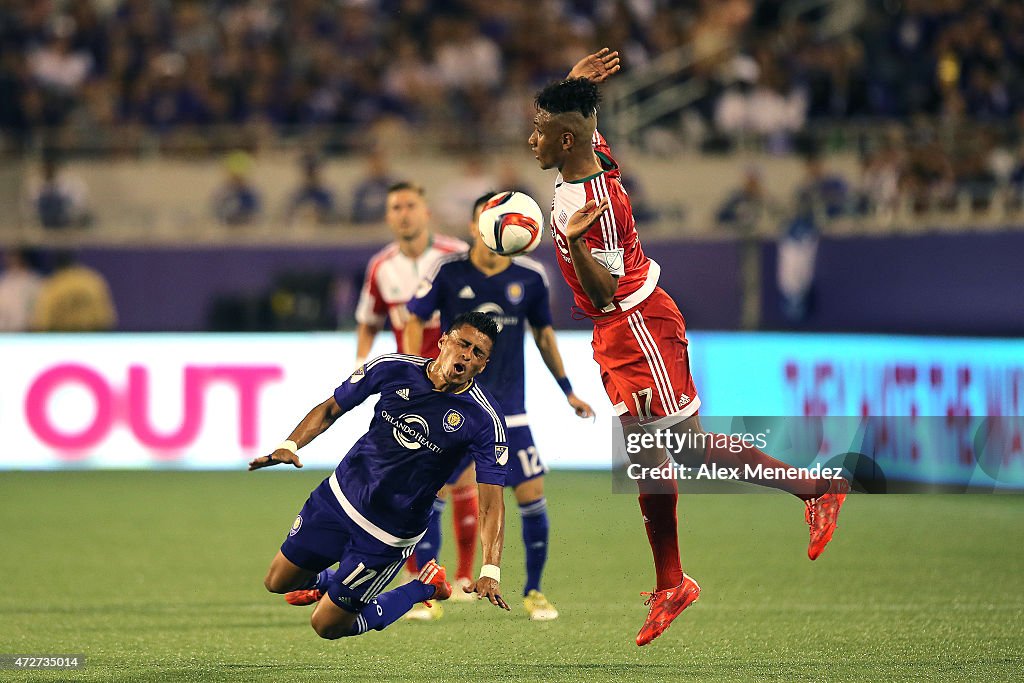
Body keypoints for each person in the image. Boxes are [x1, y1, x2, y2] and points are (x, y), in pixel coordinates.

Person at [528, 49, 850, 646]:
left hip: (635, 324)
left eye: (541, 130)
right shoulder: (584, 157)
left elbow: (601, 293)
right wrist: (573, 85)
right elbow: (584, 125)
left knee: (685, 448)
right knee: (652, 454)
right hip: (619, 334)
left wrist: (573, 247)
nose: (531, 139)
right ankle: (672, 581)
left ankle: (815, 489)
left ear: (567, 139)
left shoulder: (588, 206)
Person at [250, 312, 512, 639]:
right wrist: (290, 444)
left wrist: (490, 569)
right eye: (463, 343)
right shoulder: (394, 368)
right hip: (338, 498)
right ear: (443, 340)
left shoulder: (484, 419)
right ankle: (331, 582)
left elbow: (491, 504)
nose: (466, 355)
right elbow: (332, 407)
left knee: (327, 625)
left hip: (387, 534)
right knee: (277, 582)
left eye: (478, 354)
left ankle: (424, 587)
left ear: (483, 366)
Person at [404, 192, 595, 621]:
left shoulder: (530, 278)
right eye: (486, 219)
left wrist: (567, 389)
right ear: (475, 227)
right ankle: (427, 594)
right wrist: (422, 376)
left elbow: (544, 334)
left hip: (510, 410)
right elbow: (414, 316)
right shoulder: (448, 272)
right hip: (456, 406)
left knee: (531, 494)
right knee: (432, 492)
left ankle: (534, 591)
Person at [354, 180, 472, 617]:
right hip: (409, 387)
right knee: (409, 482)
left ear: (426, 211)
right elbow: (369, 319)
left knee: (456, 479)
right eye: (395, 207)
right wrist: (362, 362)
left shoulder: (455, 255)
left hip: (457, 383)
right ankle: (421, 576)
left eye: (410, 205)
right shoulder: (380, 266)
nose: (403, 213)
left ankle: (456, 577)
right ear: (388, 216)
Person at [32, 250, 116, 332]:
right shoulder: (91, 280)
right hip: (90, 338)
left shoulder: (53, 284)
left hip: (63, 341)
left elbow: (42, 323)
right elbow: (106, 318)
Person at [0, 247, 42, 331]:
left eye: (15, 257)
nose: (12, 260)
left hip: (28, 330)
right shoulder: (4, 282)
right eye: (10, 257)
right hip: (6, 331)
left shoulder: (34, 281)